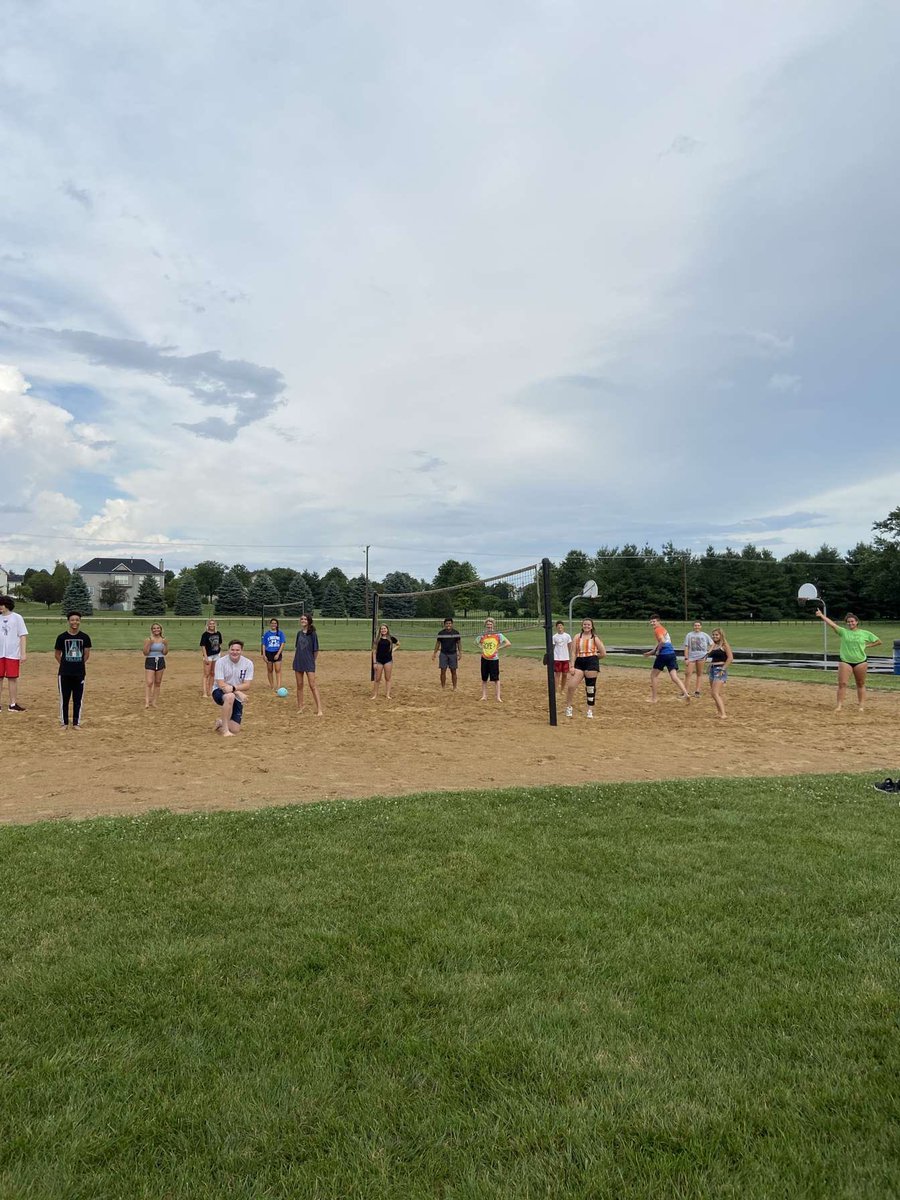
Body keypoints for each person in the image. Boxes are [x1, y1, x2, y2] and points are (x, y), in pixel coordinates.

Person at [815, 609, 882, 711]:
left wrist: (867, 646)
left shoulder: (865, 633)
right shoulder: (843, 632)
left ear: (857, 622)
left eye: (852, 621)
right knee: (842, 684)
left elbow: (878, 641)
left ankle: (861, 706)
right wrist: (821, 615)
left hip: (861, 662)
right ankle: (839, 706)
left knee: (860, 684)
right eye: (848, 621)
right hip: (845, 661)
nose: (850, 623)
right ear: (846, 623)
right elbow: (832, 625)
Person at [55, 610, 92, 730]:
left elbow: (86, 654)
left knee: (78, 699)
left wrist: (78, 664)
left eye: (77, 620)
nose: (74, 622)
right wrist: (65, 664)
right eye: (72, 620)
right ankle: (64, 722)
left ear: (79, 621)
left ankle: (76, 722)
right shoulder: (62, 637)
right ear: (68, 621)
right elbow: (57, 654)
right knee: (64, 699)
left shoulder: (84, 637)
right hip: (64, 673)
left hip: (79, 673)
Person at [643, 614, 691, 702]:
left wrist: (658, 651)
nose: (652, 623)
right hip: (671, 654)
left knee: (653, 676)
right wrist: (651, 652)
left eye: (654, 621)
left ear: (658, 621)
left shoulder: (658, 630)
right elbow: (660, 642)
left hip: (663, 655)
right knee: (674, 676)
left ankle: (654, 698)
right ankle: (686, 694)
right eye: (651, 622)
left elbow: (662, 641)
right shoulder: (663, 629)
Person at [565, 618, 606, 719]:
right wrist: (572, 665)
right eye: (585, 624)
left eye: (588, 625)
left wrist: (594, 659)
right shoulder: (577, 637)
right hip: (579, 662)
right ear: (582, 625)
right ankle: (569, 707)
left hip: (591, 662)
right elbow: (573, 652)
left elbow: (603, 653)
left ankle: (589, 710)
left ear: (592, 626)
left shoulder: (595, 638)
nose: (586, 626)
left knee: (590, 688)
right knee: (571, 686)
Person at [212, 639, 253, 737]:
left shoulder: (248, 663)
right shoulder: (220, 662)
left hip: (234, 692)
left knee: (235, 729)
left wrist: (234, 689)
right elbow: (221, 684)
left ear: (241, 651)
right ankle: (225, 730)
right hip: (219, 691)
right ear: (228, 650)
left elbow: (247, 685)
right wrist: (238, 692)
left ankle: (221, 722)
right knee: (230, 696)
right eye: (232, 649)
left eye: (237, 650)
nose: (235, 652)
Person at [0, 595, 28, 712]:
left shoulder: (17, 618)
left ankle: (12, 704)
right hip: (0, 654)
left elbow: (22, 635)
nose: (0, 607)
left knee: (12, 678)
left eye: (2, 604)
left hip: (12, 654)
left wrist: (23, 653)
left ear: (7, 605)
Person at [292, 613, 323, 715]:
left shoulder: (313, 634)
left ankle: (319, 709)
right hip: (298, 661)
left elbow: (316, 650)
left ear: (309, 621)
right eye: (302, 619)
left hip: (309, 662)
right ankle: (300, 707)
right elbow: (298, 648)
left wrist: (311, 660)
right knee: (299, 685)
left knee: (312, 685)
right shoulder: (299, 633)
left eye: (305, 619)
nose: (303, 620)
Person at [475, 617, 510, 703]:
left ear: (493, 625)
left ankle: (498, 697)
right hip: (484, 658)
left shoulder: (498, 635)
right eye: (488, 624)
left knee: (496, 679)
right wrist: (481, 648)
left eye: (490, 624)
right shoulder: (483, 635)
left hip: (494, 659)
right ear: (485, 625)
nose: (489, 626)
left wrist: (498, 648)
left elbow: (508, 643)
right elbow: (475, 642)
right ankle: (484, 696)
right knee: (484, 678)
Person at [707, 628, 733, 719]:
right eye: (713, 635)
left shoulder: (725, 645)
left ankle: (723, 714)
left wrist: (723, 669)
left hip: (720, 670)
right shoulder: (714, 645)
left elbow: (730, 658)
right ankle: (719, 712)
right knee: (715, 693)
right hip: (712, 669)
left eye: (716, 635)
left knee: (715, 693)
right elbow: (708, 654)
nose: (714, 636)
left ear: (721, 635)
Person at [682, 620, 713, 698]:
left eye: (698, 625)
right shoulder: (689, 635)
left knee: (699, 674)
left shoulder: (705, 635)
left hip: (702, 656)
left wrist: (708, 652)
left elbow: (712, 644)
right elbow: (686, 647)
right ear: (693, 626)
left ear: (701, 626)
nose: (697, 627)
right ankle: (686, 691)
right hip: (691, 657)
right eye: (695, 625)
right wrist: (686, 658)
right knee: (688, 673)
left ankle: (697, 691)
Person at [142, 622, 168, 708]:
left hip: (160, 660)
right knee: (149, 682)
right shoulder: (148, 639)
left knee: (158, 682)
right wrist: (149, 644)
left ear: (160, 629)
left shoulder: (163, 640)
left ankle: (154, 702)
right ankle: (147, 702)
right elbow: (145, 653)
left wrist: (165, 645)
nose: (156, 630)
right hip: (150, 660)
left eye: (158, 628)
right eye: (154, 628)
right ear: (152, 630)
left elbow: (165, 653)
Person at [371, 623, 399, 699]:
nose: (383, 630)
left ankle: (387, 695)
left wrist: (393, 650)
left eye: (384, 628)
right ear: (380, 630)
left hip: (388, 661)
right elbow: (374, 651)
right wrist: (374, 662)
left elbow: (398, 644)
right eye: (382, 629)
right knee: (377, 678)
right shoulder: (377, 640)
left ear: (387, 629)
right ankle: (375, 695)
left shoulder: (391, 638)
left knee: (388, 678)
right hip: (379, 661)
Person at [432, 617, 462, 690]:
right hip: (443, 654)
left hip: (453, 654)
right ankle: (443, 687)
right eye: (447, 623)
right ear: (444, 624)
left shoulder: (456, 633)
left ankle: (454, 687)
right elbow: (438, 643)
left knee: (453, 671)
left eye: (450, 623)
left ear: (452, 624)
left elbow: (459, 643)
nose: (448, 625)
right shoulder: (441, 633)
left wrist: (460, 652)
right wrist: (434, 653)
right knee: (443, 670)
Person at [200, 619, 223, 698]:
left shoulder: (218, 633)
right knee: (206, 674)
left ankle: (210, 690)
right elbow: (203, 646)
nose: (212, 625)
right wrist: (205, 656)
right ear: (208, 625)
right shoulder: (205, 634)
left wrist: (220, 653)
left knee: (213, 673)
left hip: (216, 655)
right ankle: (204, 692)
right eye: (210, 624)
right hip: (208, 656)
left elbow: (220, 643)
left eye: (213, 624)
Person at [261, 618, 286, 691]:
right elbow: (264, 644)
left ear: (277, 624)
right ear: (270, 624)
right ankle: (272, 686)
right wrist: (264, 655)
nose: (273, 624)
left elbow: (282, 643)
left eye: (275, 623)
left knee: (278, 669)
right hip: (269, 652)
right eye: (272, 623)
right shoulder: (267, 634)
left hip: (276, 652)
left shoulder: (280, 633)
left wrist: (278, 654)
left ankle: (278, 686)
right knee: (270, 669)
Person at [552, 620, 572, 693]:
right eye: (558, 626)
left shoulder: (567, 636)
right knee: (557, 674)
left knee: (565, 674)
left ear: (563, 627)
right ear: (556, 627)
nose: (560, 627)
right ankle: (556, 689)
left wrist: (570, 656)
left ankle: (562, 689)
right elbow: (553, 647)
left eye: (561, 625)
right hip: (557, 658)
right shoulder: (554, 637)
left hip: (565, 658)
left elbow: (570, 646)